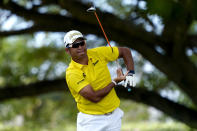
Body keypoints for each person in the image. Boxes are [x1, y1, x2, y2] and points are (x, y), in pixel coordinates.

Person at [64, 30, 135, 131]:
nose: (80, 47)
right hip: (91, 121)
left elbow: (125, 51)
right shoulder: (72, 73)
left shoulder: (97, 53)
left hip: (114, 116)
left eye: (82, 43)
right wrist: (115, 82)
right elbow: (95, 97)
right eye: (75, 45)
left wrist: (131, 74)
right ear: (67, 50)